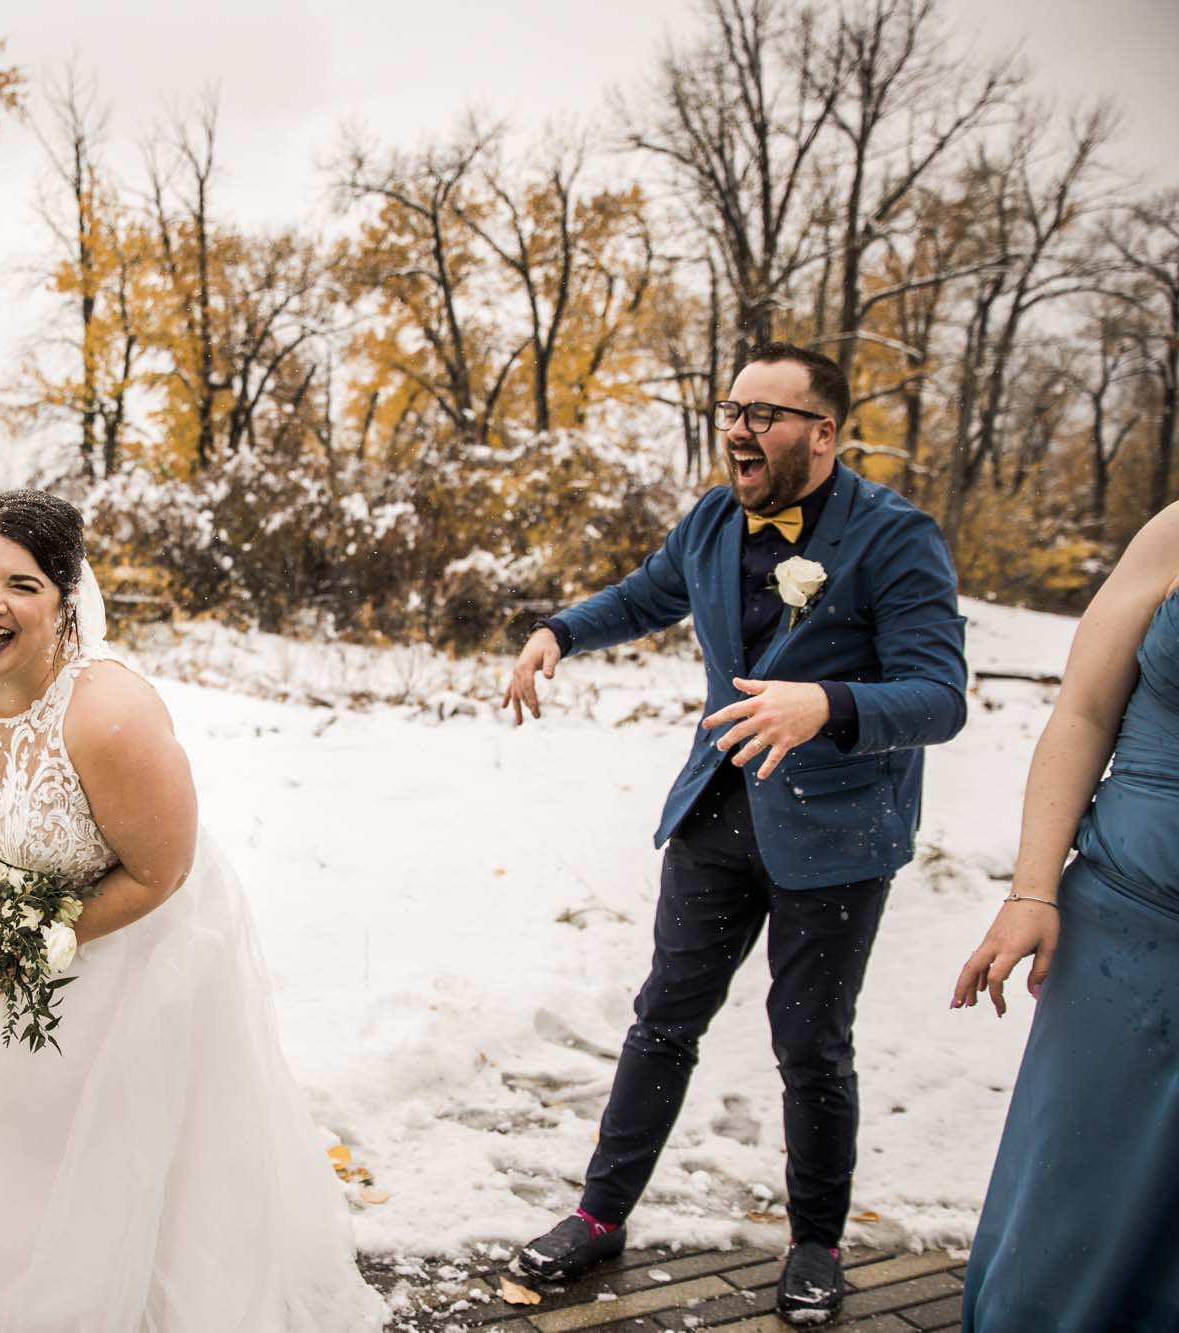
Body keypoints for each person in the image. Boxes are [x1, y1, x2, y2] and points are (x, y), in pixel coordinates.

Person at [0, 489, 385, 1332]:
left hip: (126, 946)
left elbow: (161, 871)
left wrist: (33, 940)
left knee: (87, 1155)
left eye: (23, 585)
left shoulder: (109, 715)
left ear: (66, 602)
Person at [502, 343, 968, 1325]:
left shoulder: (896, 537)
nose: (737, 429)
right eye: (732, 410)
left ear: (822, 433)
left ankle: (814, 1242)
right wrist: (558, 630)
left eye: (763, 413)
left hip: (836, 837)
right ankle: (598, 1215)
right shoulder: (713, 519)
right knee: (661, 1019)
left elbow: (938, 696)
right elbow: (643, 595)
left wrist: (826, 703)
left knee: (810, 1046)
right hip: (716, 813)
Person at [953, 503, 1179, 1331]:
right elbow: (1083, 713)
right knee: (1069, 1205)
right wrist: (1033, 891)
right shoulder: (1176, 533)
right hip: (1128, 927)